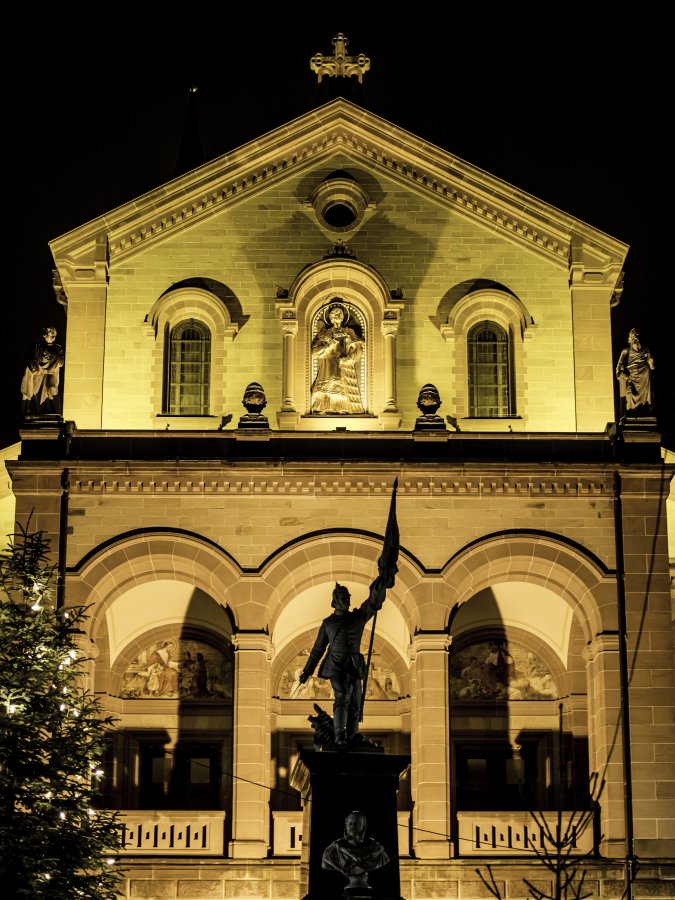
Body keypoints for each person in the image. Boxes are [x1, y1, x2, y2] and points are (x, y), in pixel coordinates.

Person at [310, 302, 364, 414]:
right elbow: (315, 352)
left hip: (343, 365)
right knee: (327, 387)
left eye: (339, 313)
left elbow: (358, 350)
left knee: (342, 388)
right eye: (334, 313)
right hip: (328, 364)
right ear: (329, 318)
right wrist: (327, 346)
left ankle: (343, 408)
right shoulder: (325, 333)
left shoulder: (349, 332)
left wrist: (349, 358)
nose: (337, 315)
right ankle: (325, 408)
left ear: (343, 317)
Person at [322, 810, 389, 892]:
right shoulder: (331, 852)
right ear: (346, 825)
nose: (353, 826)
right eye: (350, 823)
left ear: (364, 826)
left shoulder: (378, 851)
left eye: (357, 824)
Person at [20, 325, 65, 418]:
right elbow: (29, 359)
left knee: (52, 388)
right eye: (48, 331)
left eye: (51, 331)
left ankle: (57, 413)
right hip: (38, 373)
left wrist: (53, 359)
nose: (49, 332)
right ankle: (37, 412)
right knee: (36, 395)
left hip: (51, 372)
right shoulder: (36, 345)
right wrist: (34, 364)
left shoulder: (58, 348)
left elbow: (61, 362)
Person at [615, 328, 655, 419]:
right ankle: (630, 412)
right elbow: (618, 367)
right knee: (629, 392)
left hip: (644, 376)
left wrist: (651, 363)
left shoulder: (645, 350)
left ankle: (646, 410)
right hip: (631, 376)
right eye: (634, 340)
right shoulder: (626, 351)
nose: (637, 345)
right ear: (631, 341)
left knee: (648, 375)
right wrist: (623, 375)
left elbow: (651, 361)